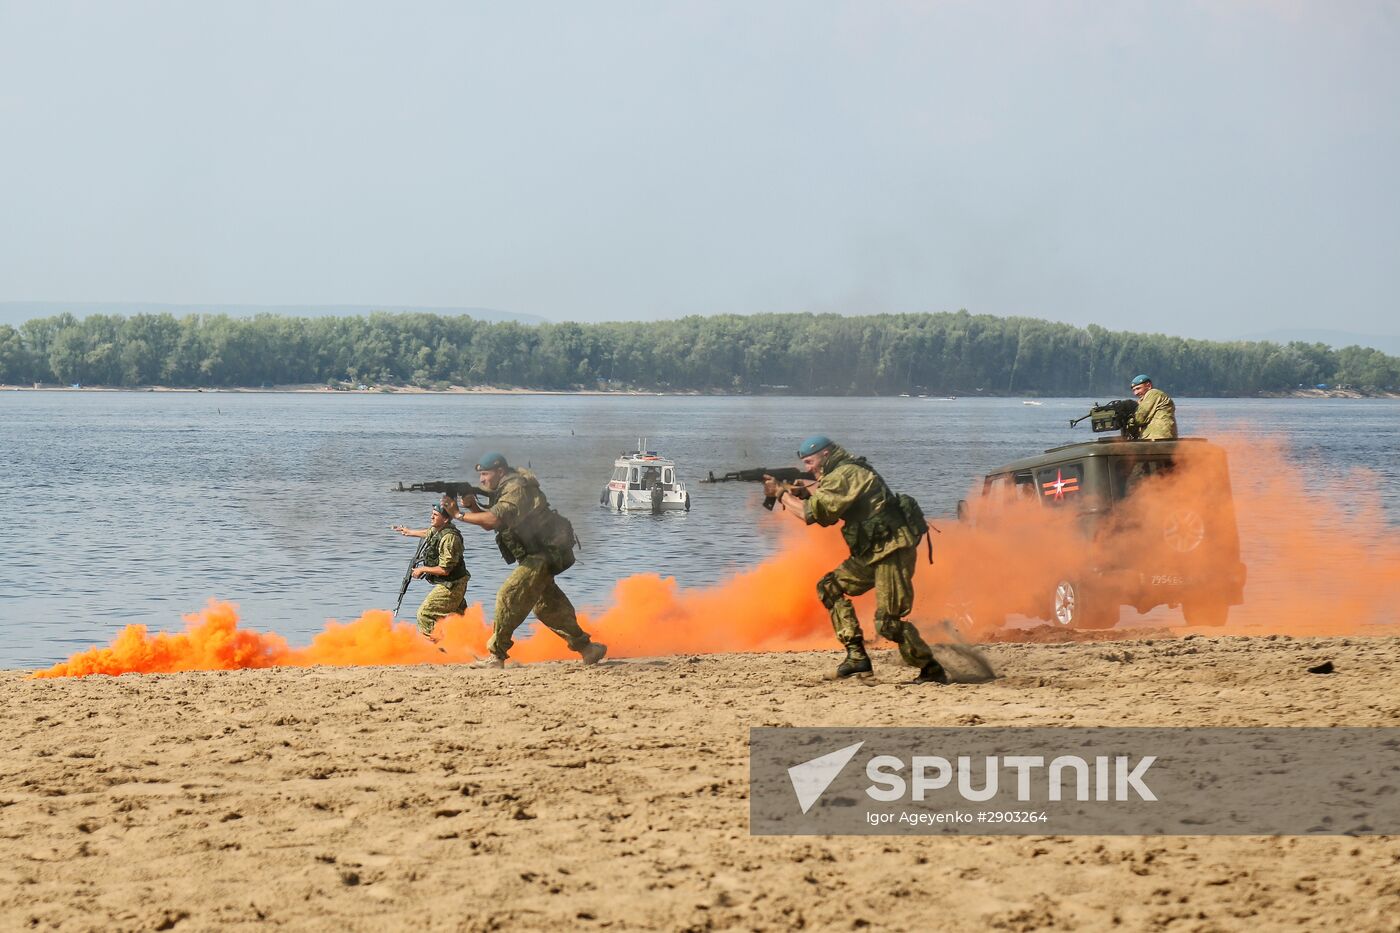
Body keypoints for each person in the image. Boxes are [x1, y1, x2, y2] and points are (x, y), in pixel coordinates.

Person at [763, 436, 948, 684]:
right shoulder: (840, 472)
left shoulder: (846, 473)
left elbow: (812, 515)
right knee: (829, 587)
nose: (808, 468)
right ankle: (856, 658)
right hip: (872, 551)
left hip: (892, 549)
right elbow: (828, 505)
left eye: (810, 461)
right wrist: (803, 491)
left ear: (825, 454)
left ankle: (931, 668)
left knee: (887, 623)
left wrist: (781, 494)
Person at [445, 452, 606, 668]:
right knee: (547, 607)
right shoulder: (504, 490)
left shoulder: (516, 488)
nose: (481, 480)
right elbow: (491, 522)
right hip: (537, 554)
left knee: (508, 595)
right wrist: (472, 508)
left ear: (500, 472)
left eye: (485, 474)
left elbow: (493, 519)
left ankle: (496, 656)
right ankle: (588, 649)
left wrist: (457, 515)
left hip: (544, 554)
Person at [391, 504, 469, 638]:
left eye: (435, 515)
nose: (431, 516)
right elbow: (429, 533)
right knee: (460, 619)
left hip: (452, 585)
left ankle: (437, 649)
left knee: (425, 614)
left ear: (445, 519)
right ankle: (468, 646)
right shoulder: (439, 529)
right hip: (452, 583)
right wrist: (409, 532)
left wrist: (423, 569)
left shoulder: (449, 538)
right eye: (432, 513)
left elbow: (445, 570)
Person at [1128, 374, 1177, 440]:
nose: (1136, 393)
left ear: (1148, 386)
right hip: (1156, 438)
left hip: (1159, 438)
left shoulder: (1153, 393)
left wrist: (1128, 418)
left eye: (1138, 388)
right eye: (1134, 390)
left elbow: (1140, 418)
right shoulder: (1145, 400)